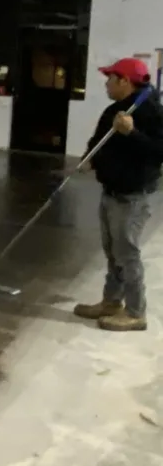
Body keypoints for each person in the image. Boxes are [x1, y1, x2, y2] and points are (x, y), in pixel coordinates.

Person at [74, 57, 163, 332]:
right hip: (110, 191)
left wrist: (132, 132)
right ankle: (112, 302)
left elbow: (158, 152)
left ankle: (136, 312)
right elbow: (99, 140)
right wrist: (90, 159)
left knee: (127, 254)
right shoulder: (114, 110)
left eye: (110, 79)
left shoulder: (151, 113)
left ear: (125, 81)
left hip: (132, 196)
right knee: (113, 253)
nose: (106, 84)